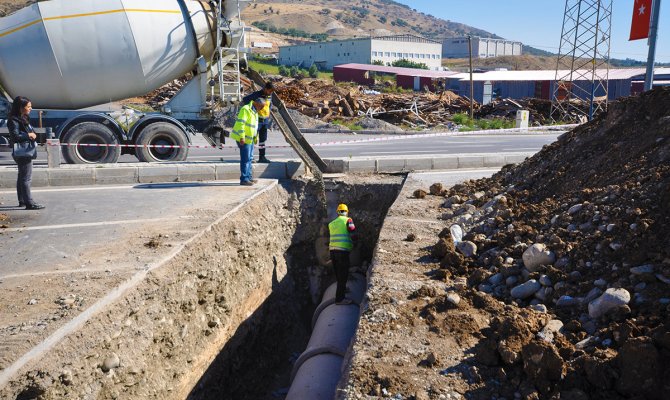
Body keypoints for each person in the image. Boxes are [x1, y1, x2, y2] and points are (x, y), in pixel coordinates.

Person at [7, 96, 44, 210]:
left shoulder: (23, 118)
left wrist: (33, 133)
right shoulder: (13, 120)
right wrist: (28, 135)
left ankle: (22, 200)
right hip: (22, 152)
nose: (31, 108)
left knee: (21, 176)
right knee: (26, 178)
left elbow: (29, 130)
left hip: (24, 150)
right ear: (21, 107)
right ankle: (29, 202)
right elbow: (15, 136)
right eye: (28, 106)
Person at [230, 97, 265, 186]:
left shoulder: (255, 111)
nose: (261, 109)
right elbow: (241, 123)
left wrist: (255, 137)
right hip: (244, 138)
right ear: (257, 104)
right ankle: (244, 179)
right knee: (245, 159)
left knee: (249, 158)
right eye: (261, 107)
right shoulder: (246, 109)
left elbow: (254, 126)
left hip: (250, 139)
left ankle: (248, 177)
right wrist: (242, 137)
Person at [328, 203, 357, 305]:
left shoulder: (331, 223)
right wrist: (355, 244)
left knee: (338, 274)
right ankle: (340, 299)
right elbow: (353, 231)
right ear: (347, 212)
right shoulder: (348, 220)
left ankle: (342, 290)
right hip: (342, 252)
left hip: (332, 251)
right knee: (343, 274)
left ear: (338, 212)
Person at [242, 82, 274, 163]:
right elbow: (245, 100)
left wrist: (269, 111)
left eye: (272, 92)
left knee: (262, 140)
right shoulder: (256, 94)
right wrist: (252, 110)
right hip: (256, 121)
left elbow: (270, 105)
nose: (270, 93)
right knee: (252, 139)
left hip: (265, 121)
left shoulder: (270, 96)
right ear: (265, 89)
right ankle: (250, 157)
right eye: (269, 91)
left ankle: (262, 157)